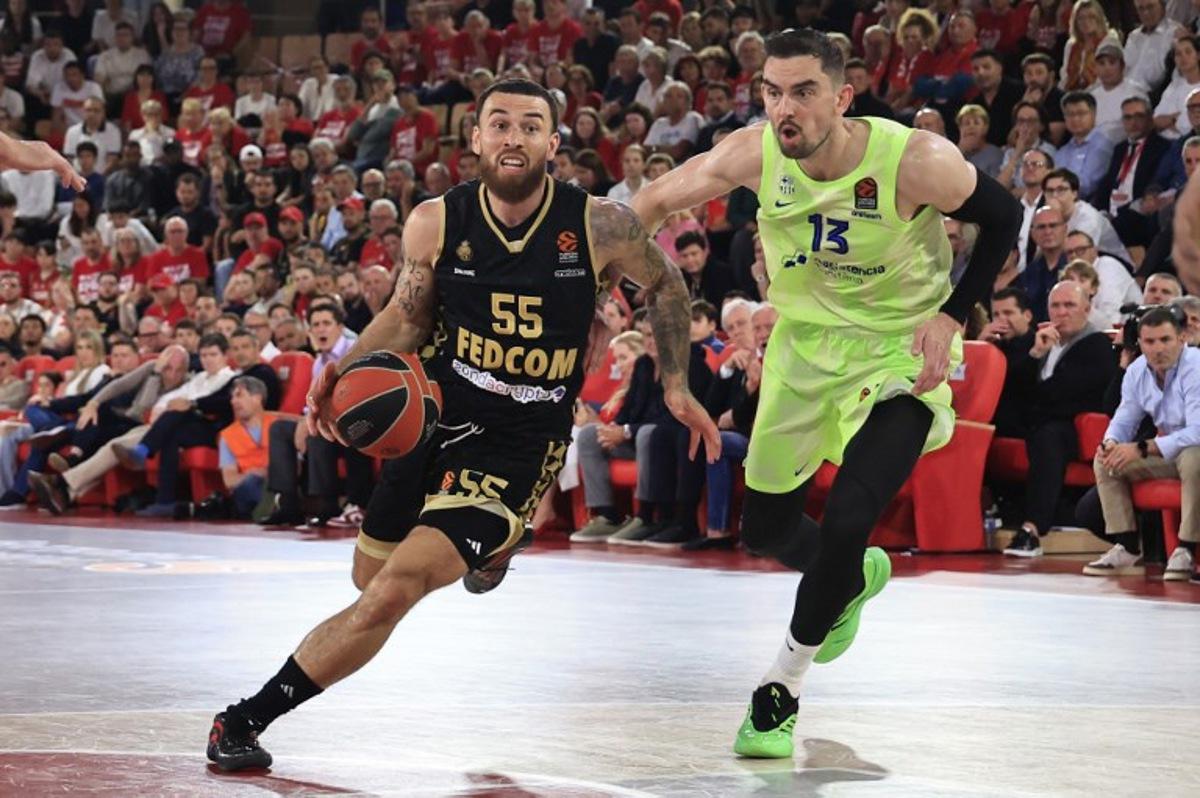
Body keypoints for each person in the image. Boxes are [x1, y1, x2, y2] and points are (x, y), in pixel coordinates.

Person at [205, 78, 717, 771]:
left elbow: (666, 284)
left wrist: (679, 383)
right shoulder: (436, 221)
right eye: (499, 124)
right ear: (475, 138)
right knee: (367, 579)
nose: (513, 137)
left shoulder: (599, 225)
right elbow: (410, 316)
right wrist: (340, 369)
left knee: (392, 593)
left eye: (530, 126)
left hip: (520, 442)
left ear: (553, 144)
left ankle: (243, 718)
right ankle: (491, 549)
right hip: (438, 415)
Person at [630, 28, 1022, 758]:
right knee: (768, 533)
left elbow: (1003, 217)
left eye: (804, 92)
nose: (786, 109)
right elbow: (652, 200)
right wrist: (603, 263)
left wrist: (951, 313)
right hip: (803, 353)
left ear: (842, 97)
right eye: (773, 92)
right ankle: (851, 579)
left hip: (901, 351)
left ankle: (781, 689)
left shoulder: (914, 160)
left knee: (848, 516)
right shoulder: (754, 152)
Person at [1088, 306, 1200, 581]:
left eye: (1165, 340)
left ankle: (1185, 549)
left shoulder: (1195, 366)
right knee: (1105, 460)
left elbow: (1198, 431)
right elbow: (1125, 418)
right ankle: (1126, 544)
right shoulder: (1137, 371)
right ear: (1140, 343)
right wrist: (1111, 442)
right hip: (1170, 451)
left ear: (1182, 338)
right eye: (1150, 341)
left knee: (1193, 456)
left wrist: (1141, 448)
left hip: (1194, 448)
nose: (1158, 348)